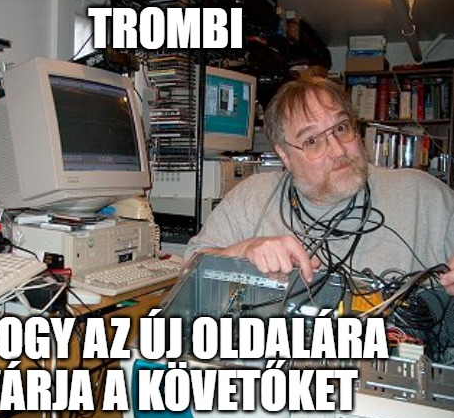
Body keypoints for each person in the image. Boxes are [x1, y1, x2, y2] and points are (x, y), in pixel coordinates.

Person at [185, 76, 454, 294]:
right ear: (284, 155)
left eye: (341, 128)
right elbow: (189, 270)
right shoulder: (252, 197)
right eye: (312, 140)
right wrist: (242, 251)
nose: (338, 150)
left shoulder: (425, 196)